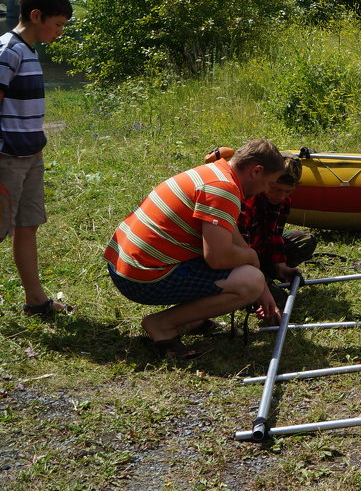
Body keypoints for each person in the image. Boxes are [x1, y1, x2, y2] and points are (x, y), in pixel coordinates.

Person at [105, 140, 286, 359]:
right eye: (269, 183)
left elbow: (236, 242)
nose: (266, 191)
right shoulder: (224, 190)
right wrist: (254, 268)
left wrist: (263, 291)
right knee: (249, 281)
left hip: (125, 265)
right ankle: (162, 326)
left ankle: (192, 319)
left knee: (255, 278)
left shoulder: (216, 173)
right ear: (257, 171)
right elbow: (217, 258)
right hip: (141, 277)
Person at [1, 0, 72, 316]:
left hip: (30, 155)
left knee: (27, 225)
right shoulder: (8, 51)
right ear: (35, 15)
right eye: (57, 24)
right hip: (7, 157)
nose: (59, 31)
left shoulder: (29, 50)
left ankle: (35, 300)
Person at [205, 148, 317, 306]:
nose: (281, 196)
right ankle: (254, 283)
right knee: (279, 301)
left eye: (288, 192)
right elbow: (238, 248)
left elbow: (275, 234)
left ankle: (268, 273)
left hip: (258, 251)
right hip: (238, 258)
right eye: (276, 189)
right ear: (268, 180)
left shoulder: (282, 201)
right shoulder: (247, 199)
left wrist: (281, 266)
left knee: (305, 241)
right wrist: (261, 283)